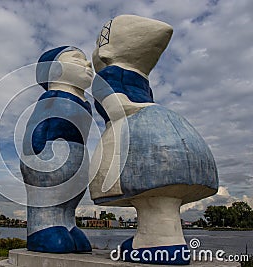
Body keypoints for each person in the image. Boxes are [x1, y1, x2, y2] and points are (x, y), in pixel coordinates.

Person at [89, 15, 218, 264]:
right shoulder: (133, 82)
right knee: (159, 199)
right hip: (156, 126)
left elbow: (109, 104)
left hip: (137, 131)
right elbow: (109, 102)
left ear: (105, 52)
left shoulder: (115, 75)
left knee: (151, 191)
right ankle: (169, 241)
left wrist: (128, 109)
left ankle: (155, 242)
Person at [20, 46, 93, 253]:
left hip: (77, 155)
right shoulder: (52, 97)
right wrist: (36, 153)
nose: (88, 64)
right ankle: (42, 227)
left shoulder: (84, 100)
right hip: (48, 152)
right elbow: (37, 124)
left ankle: (68, 224)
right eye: (78, 59)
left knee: (70, 200)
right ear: (54, 69)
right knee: (48, 199)